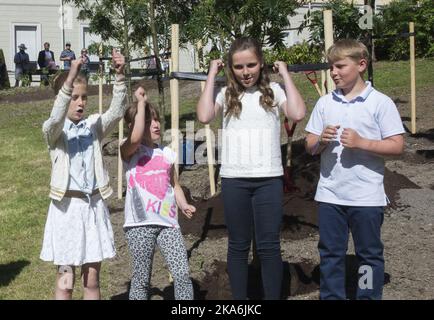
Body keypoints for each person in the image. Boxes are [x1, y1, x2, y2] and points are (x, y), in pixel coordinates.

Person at [196, 37, 306, 300]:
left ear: (261, 63)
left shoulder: (275, 92)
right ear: (231, 69)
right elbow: (203, 116)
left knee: (269, 246)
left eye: (251, 65)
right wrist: (212, 74)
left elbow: (298, 113)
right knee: (238, 245)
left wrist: (286, 75)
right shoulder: (225, 94)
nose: (246, 72)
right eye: (239, 67)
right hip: (235, 180)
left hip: (268, 179)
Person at [304, 39, 405, 300]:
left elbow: (397, 146)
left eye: (339, 66)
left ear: (361, 65)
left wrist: (362, 143)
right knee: (330, 253)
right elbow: (309, 145)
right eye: (331, 67)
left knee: (368, 255)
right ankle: (332, 296)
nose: (333, 72)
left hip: (366, 196)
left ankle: (367, 295)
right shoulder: (325, 103)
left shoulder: (380, 103)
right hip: (330, 196)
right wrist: (320, 142)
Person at [40, 49, 127, 300]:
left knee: (92, 280)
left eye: (83, 98)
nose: (80, 102)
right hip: (66, 212)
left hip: (92, 210)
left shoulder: (93, 127)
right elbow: (56, 117)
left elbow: (117, 112)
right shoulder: (54, 133)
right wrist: (69, 80)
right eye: (74, 97)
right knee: (66, 282)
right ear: (62, 97)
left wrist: (119, 77)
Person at [120, 85, 196, 300]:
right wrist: (141, 103)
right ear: (133, 126)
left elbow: (175, 185)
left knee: (181, 273)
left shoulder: (167, 153)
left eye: (156, 120)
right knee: (142, 280)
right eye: (148, 120)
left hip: (168, 224)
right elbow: (134, 139)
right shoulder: (128, 151)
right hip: (139, 224)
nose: (155, 124)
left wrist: (183, 204)